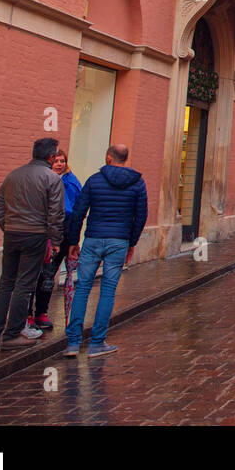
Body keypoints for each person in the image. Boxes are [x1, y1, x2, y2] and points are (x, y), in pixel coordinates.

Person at [63, 143, 148, 358]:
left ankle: (73, 342)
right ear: (125, 159)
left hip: (93, 238)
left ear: (109, 158)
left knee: (82, 287)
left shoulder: (94, 180)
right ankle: (97, 343)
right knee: (108, 290)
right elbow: (140, 216)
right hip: (118, 241)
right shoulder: (137, 183)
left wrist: (73, 240)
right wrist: (132, 242)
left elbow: (79, 211)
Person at [0, 138, 65, 350]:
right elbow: (56, 213)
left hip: (12, 233)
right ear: (50, 157)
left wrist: (7, 225)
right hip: (35, 234)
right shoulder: (52, 179)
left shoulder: (13, 175)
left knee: (6, 282)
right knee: (24, 285)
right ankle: (11, 334)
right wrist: (55, 240)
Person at [26, 148, 81, 333]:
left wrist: (73, 239)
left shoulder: (72, 182)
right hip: (41, 233)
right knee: (33, 275)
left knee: (48, 276)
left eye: (62, 161)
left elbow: (76, 211)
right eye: (56, 161)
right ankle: (28, 314)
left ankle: (42, 312)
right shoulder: (41, 180)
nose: (59, 164)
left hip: (62, 234)